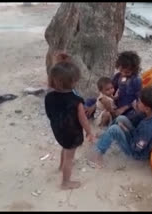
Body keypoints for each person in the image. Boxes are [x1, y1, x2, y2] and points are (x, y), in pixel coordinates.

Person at [45, 57, 95, 190]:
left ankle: (61, 166)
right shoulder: (76, 100)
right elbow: (83, 120)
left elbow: (50, 114)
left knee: (64, 148)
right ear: (73, 82)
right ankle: (66, 183)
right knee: (70, 158)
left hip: (58, 131)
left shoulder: (49, 96)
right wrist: (89, 132)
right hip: (72, 134)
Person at [88, 87, 152, 167]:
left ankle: (97, 156)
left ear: (147, 109)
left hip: (137, 153)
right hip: (137, 137)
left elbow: (137, 147)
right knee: (122, 119)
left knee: (115, 129)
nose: (137, 103)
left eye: (139, 102)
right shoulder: (151, 115)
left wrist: (125, 131)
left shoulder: (148, 127)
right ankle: (105, 135)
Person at [85, 51, 142, 120]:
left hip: (127, 109)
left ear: (134, 70)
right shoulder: (118, 76)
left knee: (128, 118)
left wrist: (123, 109)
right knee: (89, 101)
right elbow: (106, 90)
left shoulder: (136, 81)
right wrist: (95, 105)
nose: (123, 74)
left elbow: (138, 99)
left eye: (127, 72)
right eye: (121, 71)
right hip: (113, 104)